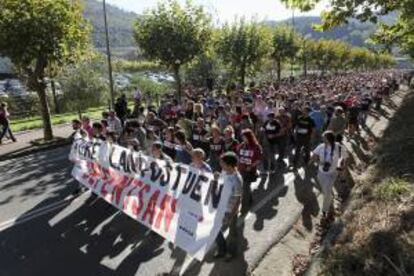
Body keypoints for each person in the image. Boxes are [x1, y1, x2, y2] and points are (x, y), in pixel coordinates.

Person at [309, 131, 347, 224]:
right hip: (321, 173)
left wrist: (341, 168)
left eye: (324, 138)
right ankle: (330, 203)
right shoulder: (321, 146)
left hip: (332, 173)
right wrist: (319, 163)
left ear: (329, 138)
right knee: (326, 191)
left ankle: (325, 212)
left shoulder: (338, 147)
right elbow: (313, 157)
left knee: (326, 192)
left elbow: (344, 158)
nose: (322, 139)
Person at [214, 152, 242, 261]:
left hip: (230, 211)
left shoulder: (237, 180)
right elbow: (221, 182)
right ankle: (222, 249)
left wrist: (230, 215)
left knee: (232, 232)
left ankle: (231, 252)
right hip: (220, 207)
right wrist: (217, 178)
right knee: (215, 229)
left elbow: (238, 199)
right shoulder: (224, 172)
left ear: (229, 165)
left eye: (222, 163)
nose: (220, 165)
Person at [237, 129, 262, 214]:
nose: (243, 139)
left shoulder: (256, 146)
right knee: (245, 188)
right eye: (242, 137)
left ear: (249, 137)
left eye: (244, 137)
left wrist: (251, 166)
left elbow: (258, 159)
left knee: (245, 189)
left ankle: (244, 208)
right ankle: (250, 200)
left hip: (249, 171)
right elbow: (238, 157)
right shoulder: (241, 146)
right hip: (241, 170)